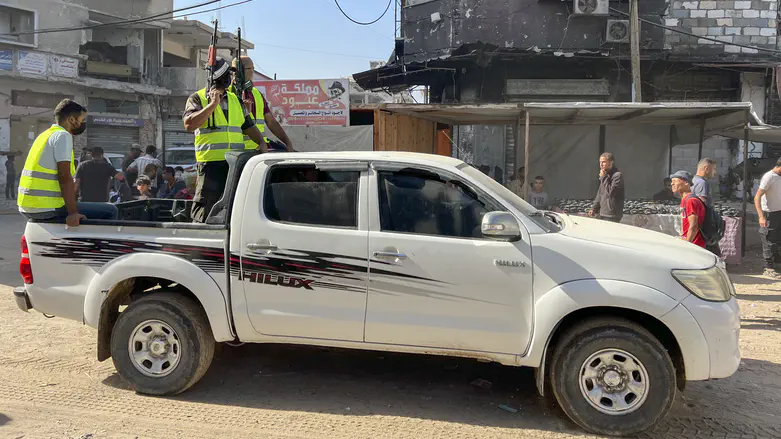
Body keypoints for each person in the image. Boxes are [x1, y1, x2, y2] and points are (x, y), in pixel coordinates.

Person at [183, 57, 267, 223]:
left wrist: (262, 143)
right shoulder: (198, 98)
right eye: (226, 75)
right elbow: (189, 124)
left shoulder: (235, 100)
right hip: (211, 167)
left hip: (235, 164)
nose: (228, 79)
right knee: (206, 210)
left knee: (234, 208)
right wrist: (212, 105)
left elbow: (249, 126)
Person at [17, 99, 117, 225]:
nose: (83, 124)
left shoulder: (44, 135)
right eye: (82, 120)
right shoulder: (63, 136)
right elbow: (64, 176)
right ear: (71, 120)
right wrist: (73, 213)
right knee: (111, 210)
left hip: (27, 205)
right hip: (46, 207)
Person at [231, 56, 294, 152]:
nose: (252, 72)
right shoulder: (229, 95)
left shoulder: (256, 93)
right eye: (248, 69)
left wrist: (287, 142)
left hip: (261, 148)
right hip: (241, 150)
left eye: (253, 69)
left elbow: (271, 121)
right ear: (237, 71)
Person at [755, 158, 781, 278]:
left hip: (778, 212)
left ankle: (776, 264)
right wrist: (761, 216)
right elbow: (757, 196)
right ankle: (768, 267)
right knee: (768, 240)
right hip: (769, 213)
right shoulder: (769, 177)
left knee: (776, 240)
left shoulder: (778, 177)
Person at [671, 170, 706, 249]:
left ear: (686, 183)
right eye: (671, 181)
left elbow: (693, 226)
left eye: (675, 181)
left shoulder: (691, 201)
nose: (671, 183)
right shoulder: (685, 199)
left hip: (695, 245)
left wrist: (687, 246)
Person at [692, 158, 720, 255]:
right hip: (704, 224)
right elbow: (701, 204)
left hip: (698, 223)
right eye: (714, 169)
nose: (715, 172)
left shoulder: (694, 180)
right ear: (707, 168)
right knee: (712, 252)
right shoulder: (702, 183)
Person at [588, 152, 625, 223]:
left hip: (612, 215)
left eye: (604, 162)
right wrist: (594, 208)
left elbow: (611, 192)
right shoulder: (605, 175)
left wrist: (603, 177)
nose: (601, 164)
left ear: (611, 162)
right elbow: (600, 194)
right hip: (602, 213)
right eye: (600, 162)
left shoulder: (617, 176)